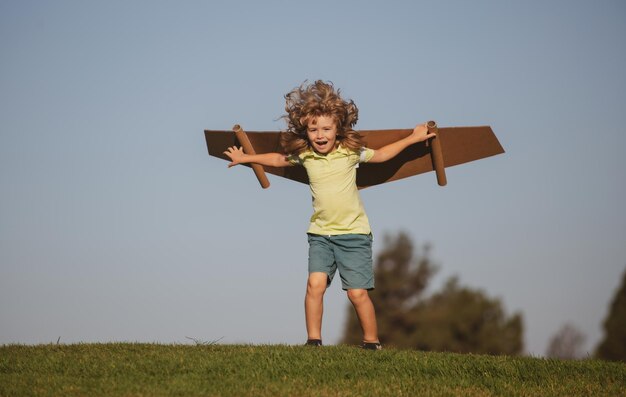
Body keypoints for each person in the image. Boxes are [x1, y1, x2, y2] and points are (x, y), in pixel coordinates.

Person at [224, 80, 435, 350]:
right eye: (314, 130)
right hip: (321, 234)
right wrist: (246, 159)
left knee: (357, 294)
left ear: (337, 129)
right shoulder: (306, 156)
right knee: (315, 284)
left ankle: (372, 343)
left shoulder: (349, 153)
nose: (320, 135)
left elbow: (382, 155)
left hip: (354, 234)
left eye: (326, 129)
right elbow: (277, 159)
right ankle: (313, 341)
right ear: (306, 131)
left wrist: (414, 138)